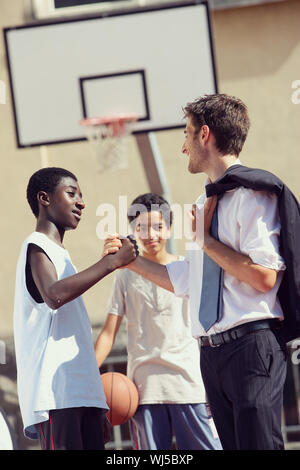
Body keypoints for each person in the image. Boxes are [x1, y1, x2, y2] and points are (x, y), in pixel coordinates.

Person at [103, 93, 300, 450]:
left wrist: (206, 242)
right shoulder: (203, 203)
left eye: (186, 134)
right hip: (211, 354)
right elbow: (185, 280)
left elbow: (264, 277)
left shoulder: (252, 195)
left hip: (251, 347)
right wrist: (129, 259)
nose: (183, 147)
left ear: (204, 135)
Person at [13, 167, 137, 450]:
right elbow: (54, 295)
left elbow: (74, 336)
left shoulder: (64, 257)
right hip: (56, 395)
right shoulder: (36, 246)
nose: (82, 202)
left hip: (82, 394)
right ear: (44, 198)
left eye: (82, 196)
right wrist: (110, 263)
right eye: (72, 194)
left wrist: (94, 397)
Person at [95, 193, 222, 450]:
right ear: (133, 231)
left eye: (158, 227)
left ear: (171, 228)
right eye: (141, 228)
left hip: (189, 384)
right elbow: (108, 334)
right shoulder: (125, 276)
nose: (150, 234)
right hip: (144, 389)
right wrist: (85, 377)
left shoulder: (186, 268)